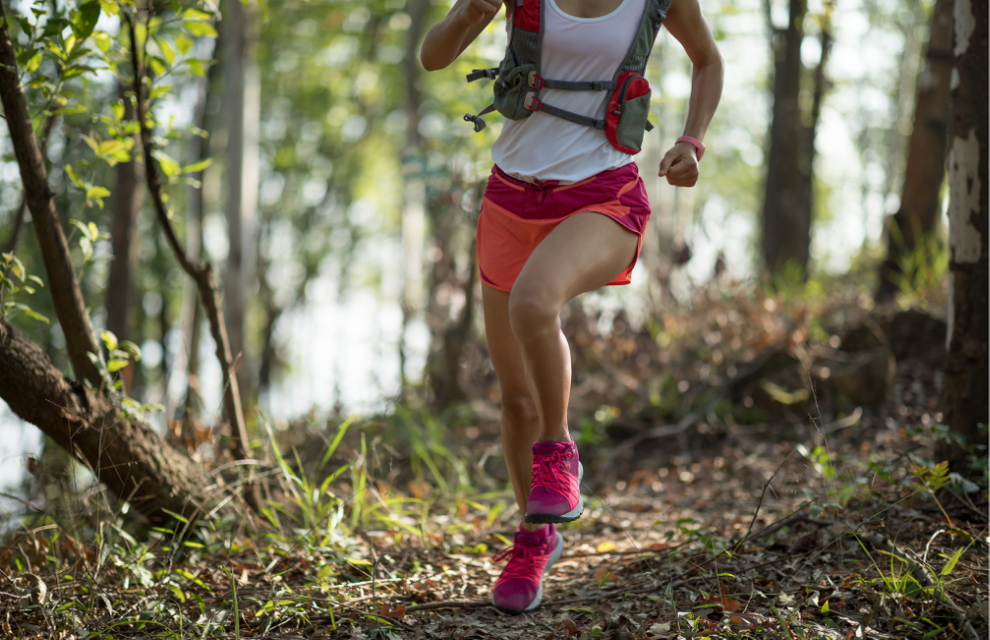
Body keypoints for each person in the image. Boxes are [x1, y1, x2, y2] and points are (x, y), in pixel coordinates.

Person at [420, 0, 723, 614]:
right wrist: (469, 16)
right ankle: (535, 538)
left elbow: (708, 61)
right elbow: (433, 56)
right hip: (510, 197)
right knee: (515, 403)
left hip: (603, 194)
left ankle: (558, 457)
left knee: (533, 303)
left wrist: (693, 140)